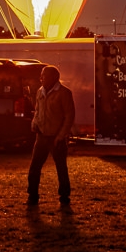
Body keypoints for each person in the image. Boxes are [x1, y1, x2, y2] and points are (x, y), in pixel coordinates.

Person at [27, 65, 75, 208]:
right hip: (42, 135)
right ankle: (32, 195)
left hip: (56, 137)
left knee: (61, 167)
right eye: (41, 75)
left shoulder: (64, 93)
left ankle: (64, 195)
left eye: (44, 76)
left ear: (54, 77)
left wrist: (61, 136)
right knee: (35, 166)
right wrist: (35, 123)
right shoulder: (40, 92)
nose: (41, 78)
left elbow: (69, 116)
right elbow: (37, 110)